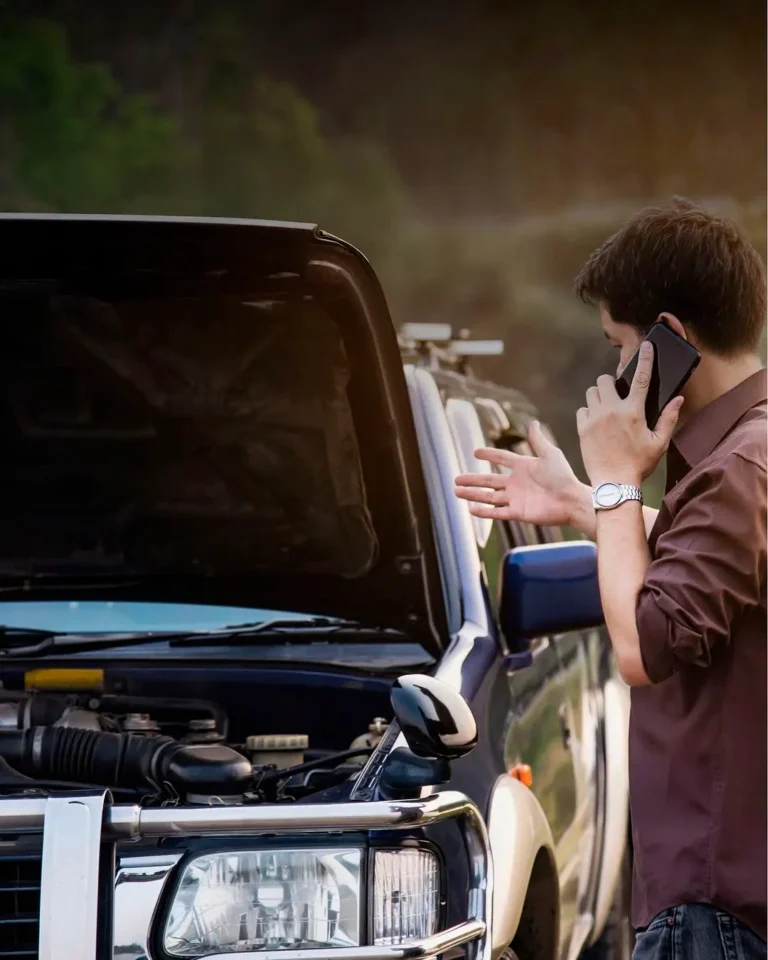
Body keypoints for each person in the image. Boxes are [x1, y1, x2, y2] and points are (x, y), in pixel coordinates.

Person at [454, 199, 767, 959]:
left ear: (671, 340)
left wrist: (619, 478)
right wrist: (583, 501)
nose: (616, 372)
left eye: (620, 347)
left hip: (714, 907)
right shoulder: (749, 456)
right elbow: (709, 562)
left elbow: (644, 645)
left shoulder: (736, 469)